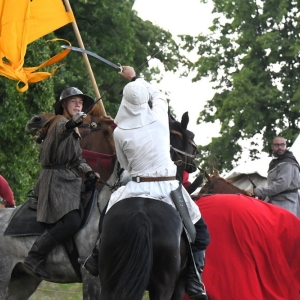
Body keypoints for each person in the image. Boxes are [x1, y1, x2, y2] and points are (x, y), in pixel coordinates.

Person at [79, 66, 210, 300]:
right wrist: (134, 77)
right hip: (168, 187)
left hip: (135, 185)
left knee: (107, 217)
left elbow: (124, 164)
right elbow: (159, 94)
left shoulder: (119, 133)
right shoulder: (160, 117)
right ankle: (195, 278)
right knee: (200, 232)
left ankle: (98, 255)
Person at [24, 87, 99, 279]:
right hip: (54, 181)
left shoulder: (72, 127)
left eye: (80, 102)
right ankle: (34, 256)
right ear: (64, 104)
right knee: (72, 221)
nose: (78, 104)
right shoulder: (60, 122)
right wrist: (71, 124)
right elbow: (61, 132)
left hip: (68, 179)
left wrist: (90, 173)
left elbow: (77, 160)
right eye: (73, 101)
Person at [254, 136, 300, 217]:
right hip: (276, 201)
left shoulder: (287, 163)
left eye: (282, 145)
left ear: (286, 146)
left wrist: (260, 191)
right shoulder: (276, 162)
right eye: (277, 145)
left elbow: (282, 184)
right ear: (272, 146)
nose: (280, 147)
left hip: (286, 203)